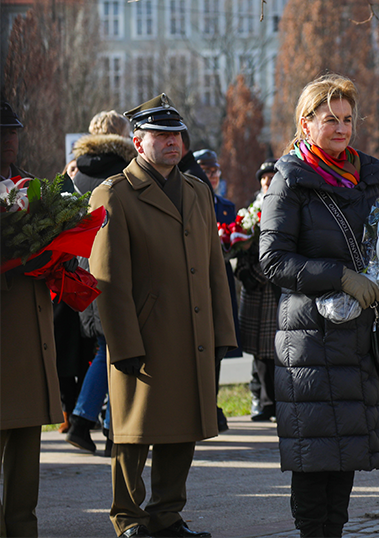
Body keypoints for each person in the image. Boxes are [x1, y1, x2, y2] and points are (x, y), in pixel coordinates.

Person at [259, 74, 379, 538]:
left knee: (347, 453)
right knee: (315, 454)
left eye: (348, 119)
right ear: (306, 123)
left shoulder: (372, 176)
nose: (342, 128)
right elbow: (272, 260)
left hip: (360, 334)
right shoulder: (289, 180)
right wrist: (339, 276)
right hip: (311, 338)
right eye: (330, 119)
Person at [89, 93, 237, 538]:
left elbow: (214, 267)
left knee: (183, 428)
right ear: (138, 142)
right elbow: (107, 280)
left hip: (192, 331)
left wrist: (222, 332)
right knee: (134, 432)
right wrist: (124, 344)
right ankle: (129, 516)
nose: (172, 143)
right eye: (161, 136)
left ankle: (167, 514)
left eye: (176, 135)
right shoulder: (114, 193)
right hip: (145, 334)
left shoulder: (196, 190)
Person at [0, 101, 65, 538]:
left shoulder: (28, 189)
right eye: (2, 131)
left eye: (13, 130)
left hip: (30, 337)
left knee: (26, 449)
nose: (10, 138)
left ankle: (23, 529)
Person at [65, 126, 138, 455]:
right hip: (113, 268)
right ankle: (100, 426)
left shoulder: (77, 173)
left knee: (104, 348)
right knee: (115, 348)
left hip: (82, 268)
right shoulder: (123, 174)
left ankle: (90, 423)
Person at [193, 148, 241, 432]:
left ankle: (212, 402)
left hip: (221, 276)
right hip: (197, 278)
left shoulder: (226, 206)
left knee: (219, 341)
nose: (210, 176)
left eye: (214, 171)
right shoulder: (190, 198)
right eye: (205, 170)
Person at [235, 158, 280, 422]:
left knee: (273, 349)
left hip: (275, 288)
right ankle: (262, 401)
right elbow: (240, 245)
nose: (268, 181)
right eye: (264, 178)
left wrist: (267, 272)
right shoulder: (249, 212)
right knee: (259, 351)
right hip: (255, 290)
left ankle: (272, 401)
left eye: (272, 176)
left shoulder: (285, 206)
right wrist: (249, 274)